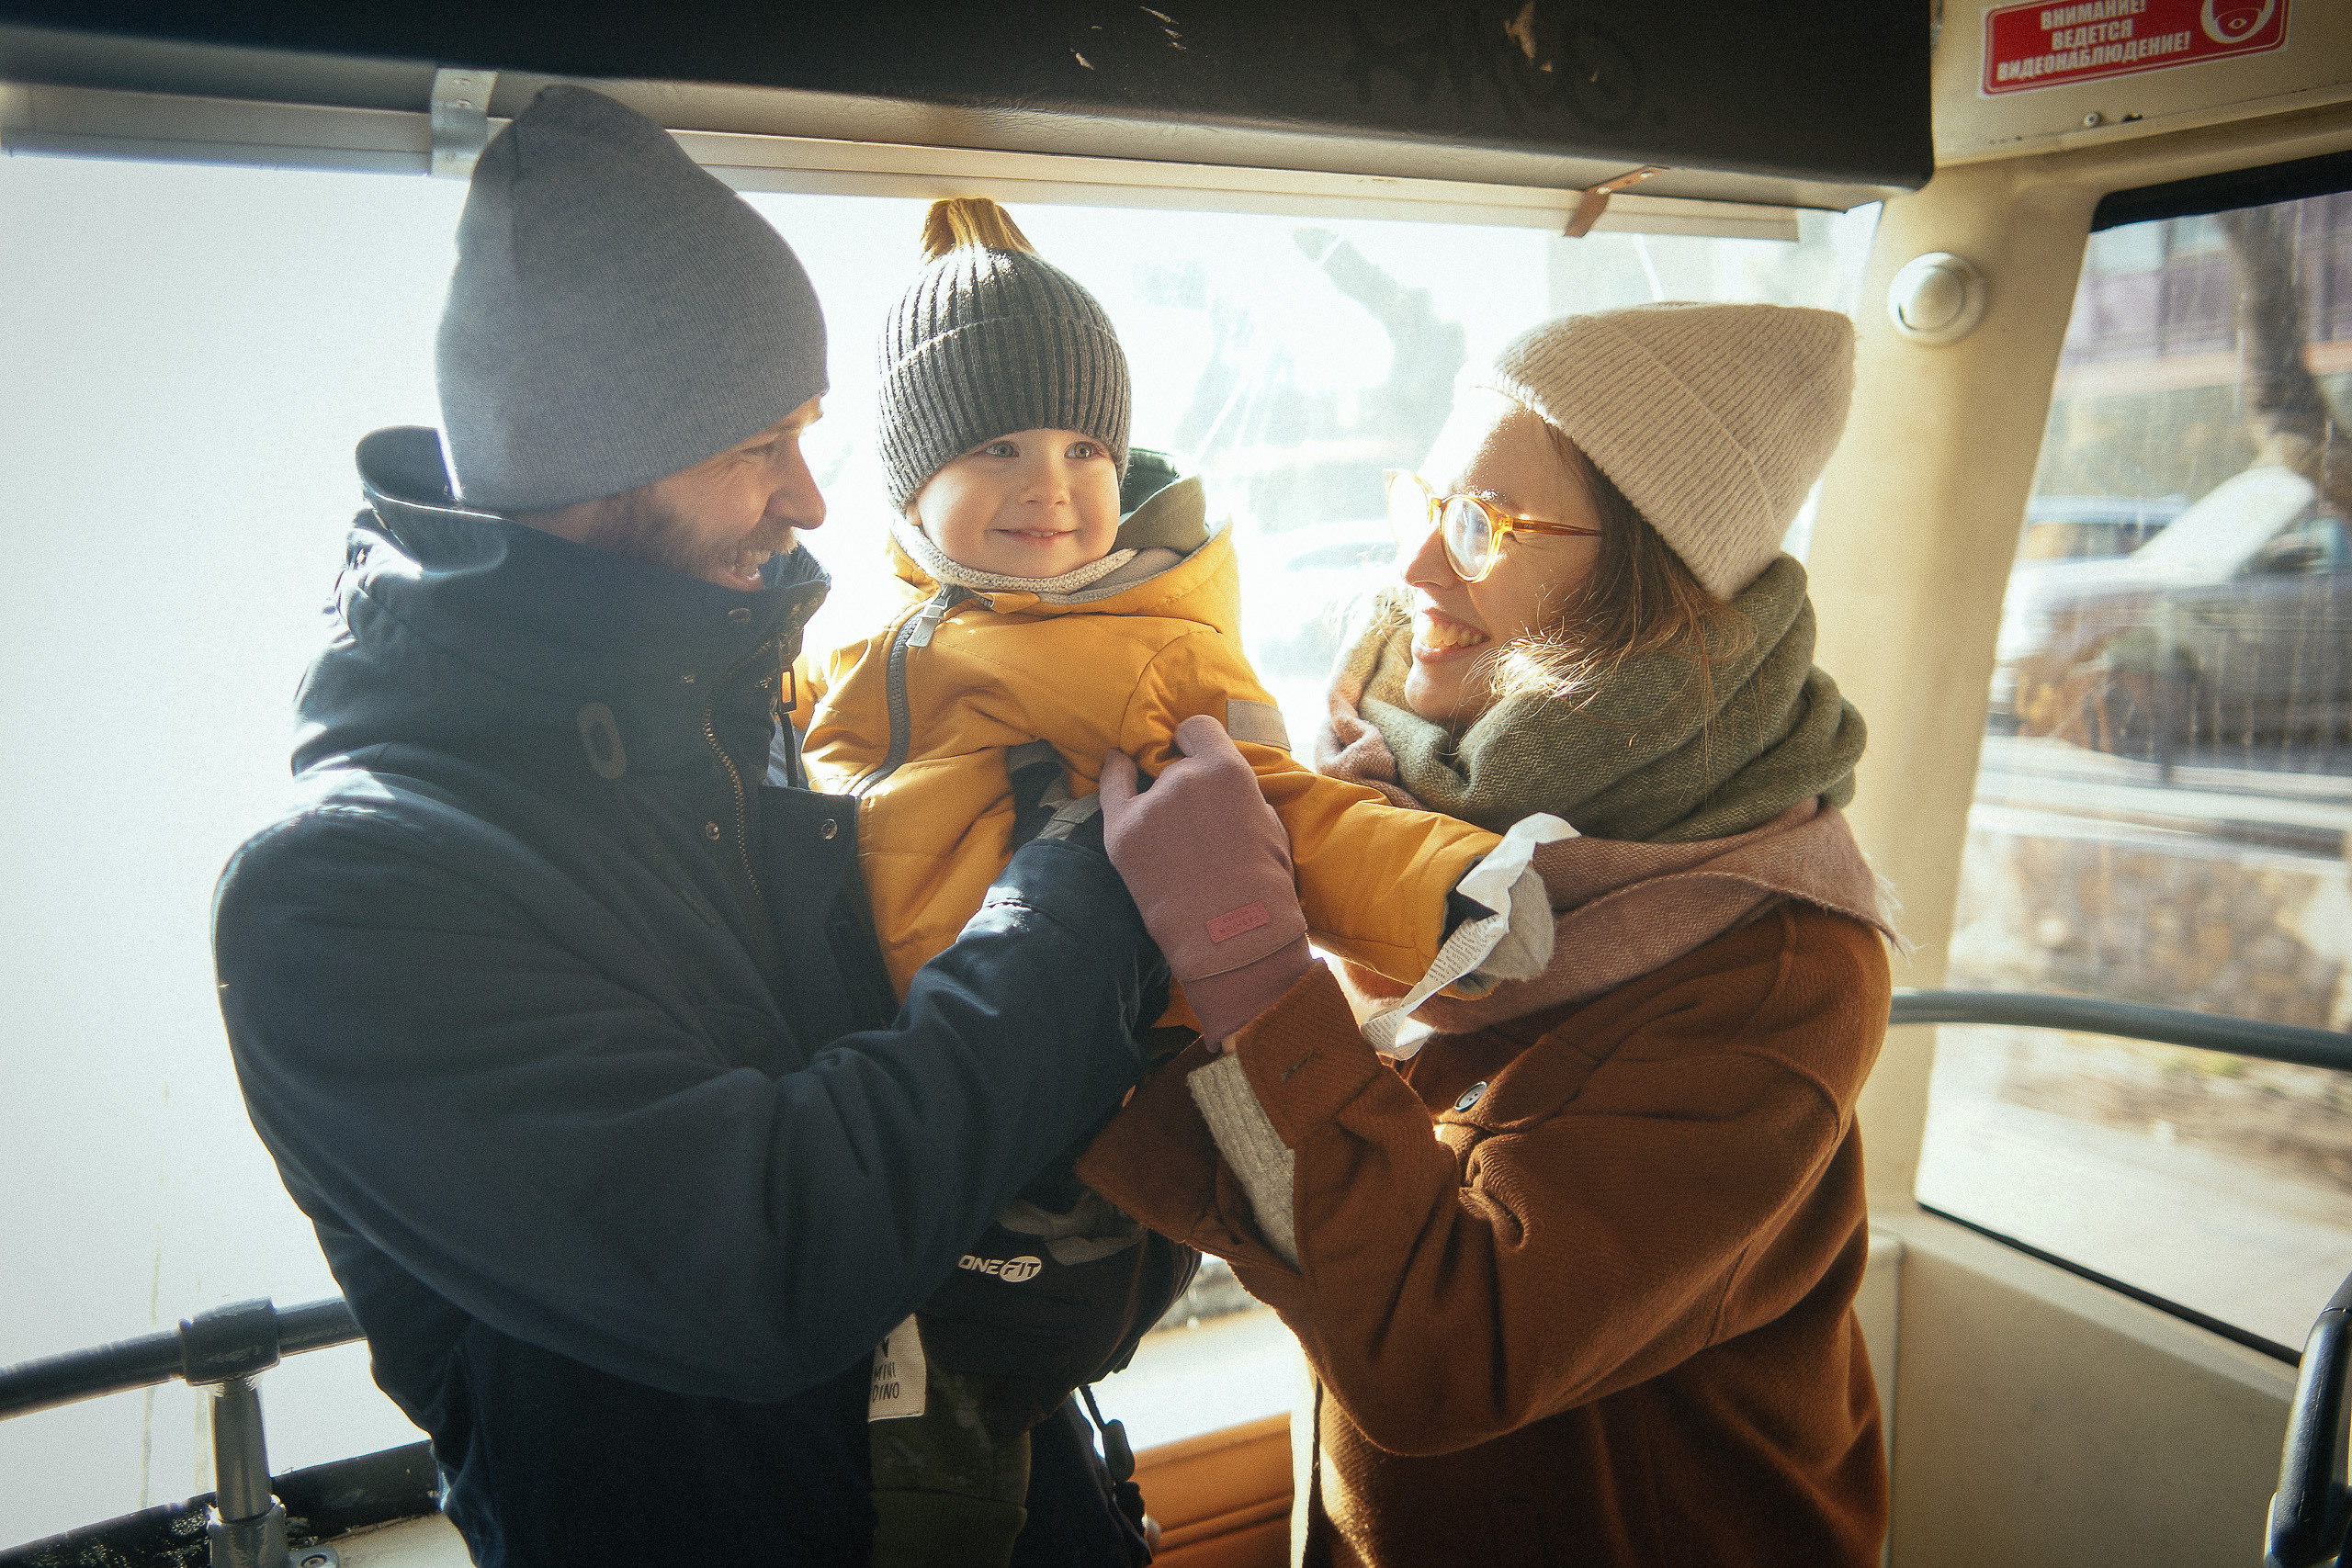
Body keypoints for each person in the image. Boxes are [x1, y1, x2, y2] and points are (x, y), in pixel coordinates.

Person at [209, 85, 1243, 1567]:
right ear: (597, 455)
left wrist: (1098, 1241)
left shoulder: (749, 730)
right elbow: (770, 1253)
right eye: (764, 442)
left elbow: (966, 1149)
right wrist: (1086, 897)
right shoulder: (343, 898)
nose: (812, 499)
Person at [1079, 302, 1905, 1566]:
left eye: (1480, 527)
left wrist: (1248, 963)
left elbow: (1438, 1352)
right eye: (1426, 502)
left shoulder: (1779, 975)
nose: (1413, 571)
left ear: (1654, 596)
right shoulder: (1401, 824)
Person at [793, 196, 1544, 1568]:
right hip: (902, 1077)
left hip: (1063, 1096)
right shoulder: (865, 636)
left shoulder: (1139, 646)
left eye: (1086, 445)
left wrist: (1449, 889)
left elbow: (1280, 815)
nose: (1055, 484)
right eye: (998, 446)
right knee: (901, 1366)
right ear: (904, 480)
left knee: (965, 1417)